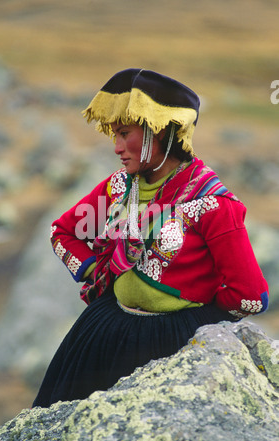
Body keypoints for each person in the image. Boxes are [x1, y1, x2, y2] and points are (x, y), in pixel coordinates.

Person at [32, 68, 269, 407]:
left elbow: (250, 296)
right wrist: (96, 273)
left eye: (124, 133)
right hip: (104, 329)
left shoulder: (212, 205)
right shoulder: (119, 188)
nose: (116, 147)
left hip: (172, 343)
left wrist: (195, 317)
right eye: (114, 135)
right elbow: (63, 232)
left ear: (158, 130)